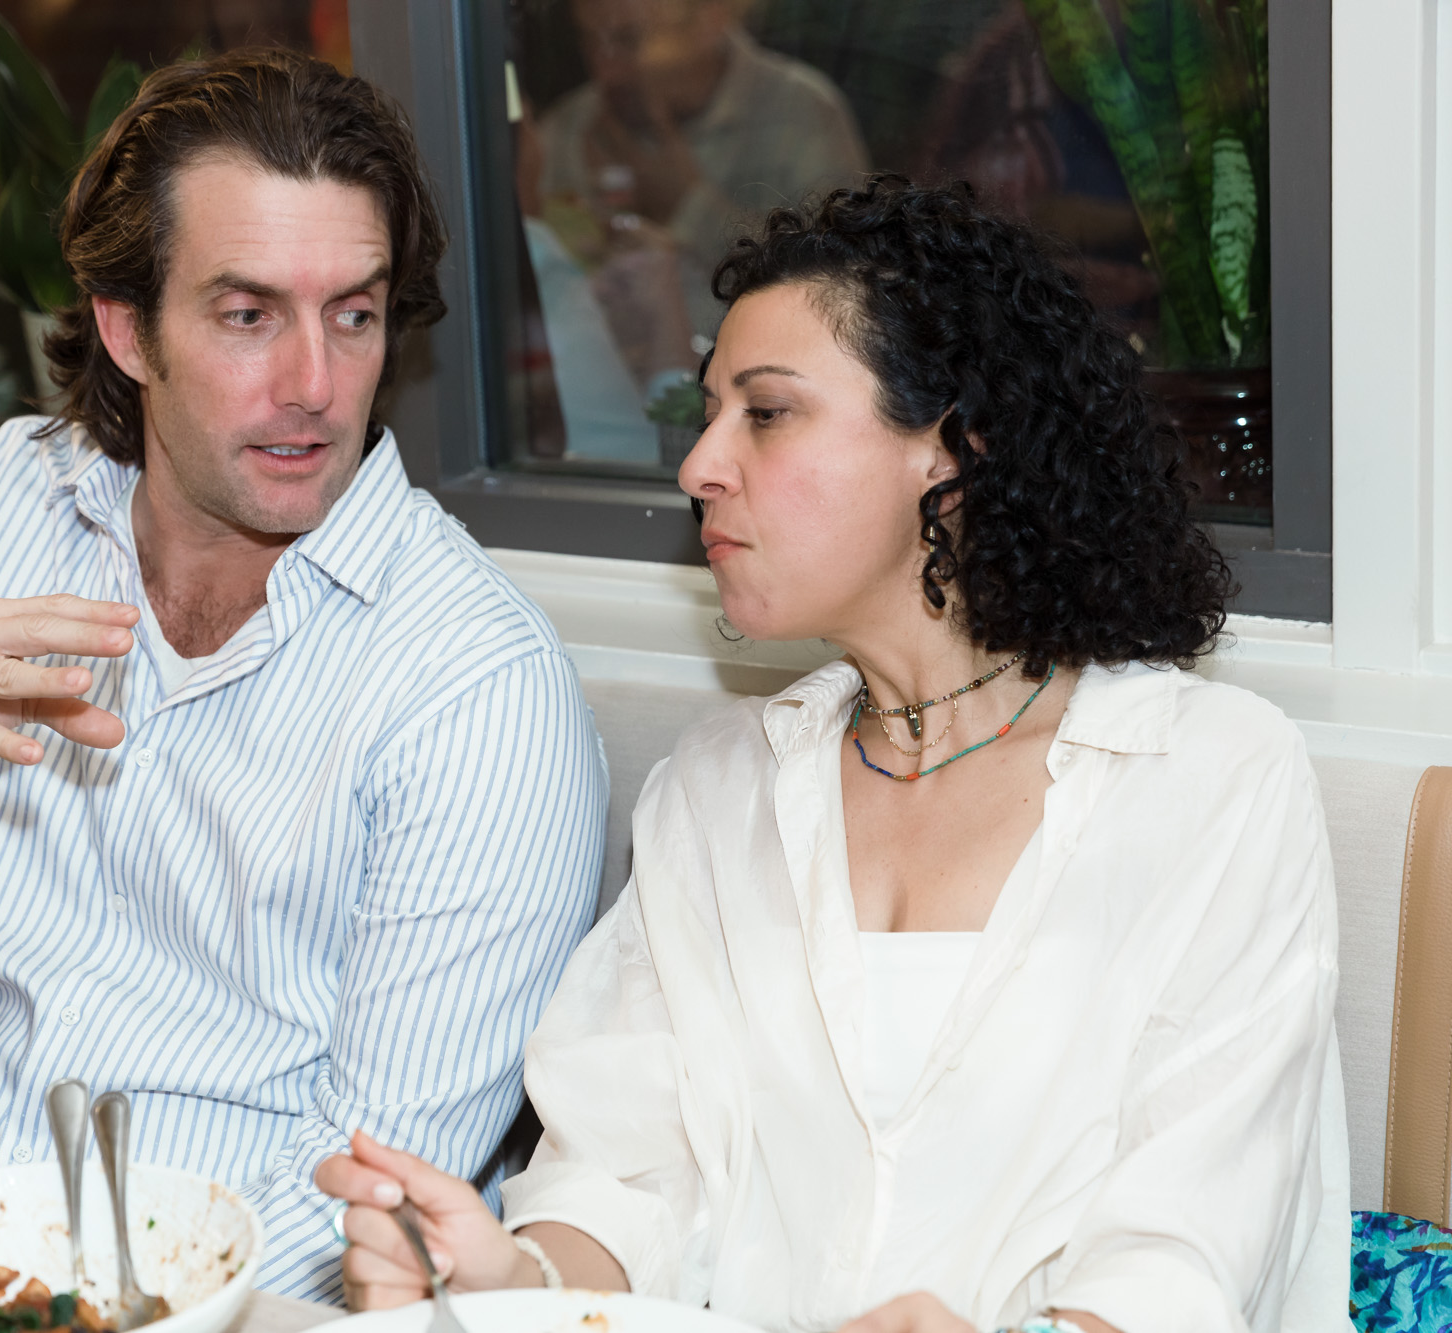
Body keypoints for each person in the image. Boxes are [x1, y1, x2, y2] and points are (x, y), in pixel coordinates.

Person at [0, 49, 608, 1301]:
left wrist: (71, 1317)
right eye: (248, 316)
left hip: (235, 1307)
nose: (313, 385)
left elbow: (373, 1195)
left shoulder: (475, 680)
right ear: (127, 329)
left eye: (352, 315)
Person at [318, 178, 1346, 1332]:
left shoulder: (1207, 779)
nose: (696, 466)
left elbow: (1181, 1261)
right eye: (708, 412)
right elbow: (623, 1174)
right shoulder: (717, 790)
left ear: (954, 447)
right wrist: (512, 1282)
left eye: (764, 412)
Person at [535, 0, 869, 341]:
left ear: (710, 18)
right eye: (589, 39)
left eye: (629, 39)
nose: (606, 70)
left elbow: (842, 289)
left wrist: (687, 202)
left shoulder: (802, 116)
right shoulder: (566, 130)